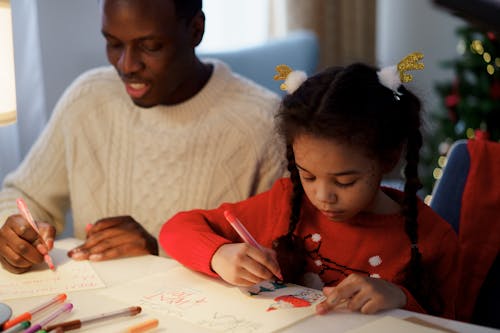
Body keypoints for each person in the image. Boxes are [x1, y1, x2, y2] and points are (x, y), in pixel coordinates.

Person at [160, 54, 459, 318]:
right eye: (308, 176)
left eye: (345, 181)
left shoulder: (434, 239)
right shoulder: (288, 201)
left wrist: (400, 299)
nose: (322, 196)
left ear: (388, 158)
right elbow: (175, 229)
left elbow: (457, 323)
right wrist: (219, 255)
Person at [0, 0, 285, 274]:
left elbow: (285, 260)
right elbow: (24, 195)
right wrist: (16, 231)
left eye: (150, 46)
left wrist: (157, 252)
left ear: (196, 30)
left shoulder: (263, 123)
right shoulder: (88, 99)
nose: (126, 65)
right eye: (113, 43)